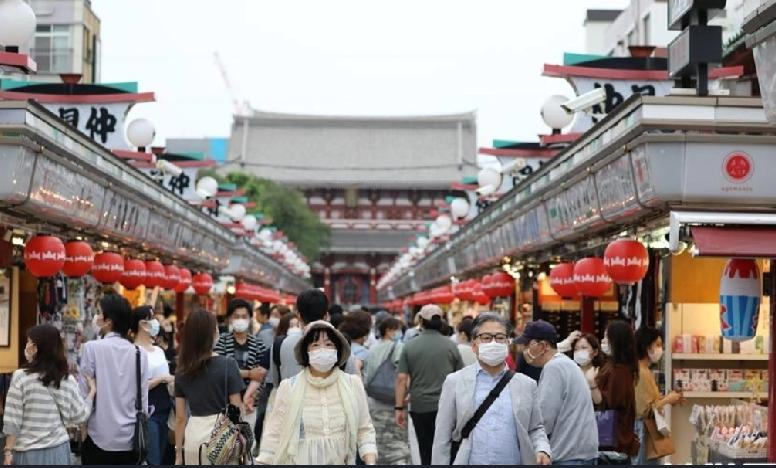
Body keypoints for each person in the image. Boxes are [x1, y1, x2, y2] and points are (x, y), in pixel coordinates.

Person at [432, 313, 552, 465]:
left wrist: (542, 449)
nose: (494, 342)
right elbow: (442, 437)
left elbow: (536, 428)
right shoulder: (455, 382)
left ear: (508, 343)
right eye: (486, 337)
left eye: (500, 337)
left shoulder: (526, 385)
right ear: (474, 345)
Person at [257, 321, 377, 465]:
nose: (322, 350)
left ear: (337, 350)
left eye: (328, 345)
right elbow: (274, 433)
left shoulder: (353, 384)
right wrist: (263, 461)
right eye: (315, 345)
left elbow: (364, 429)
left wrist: (370, 461)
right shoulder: (289, 387)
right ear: (306, 352)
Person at [3, 324, 95, 465]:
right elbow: (80, 415)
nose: (26, 346)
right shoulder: (66, 379)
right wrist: (91, 393)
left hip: (28, 454)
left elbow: (12, 419)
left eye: (29, 342)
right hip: (58, 452)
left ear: (36, 348)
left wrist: (8, 451)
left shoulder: (21, 377)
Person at [81, 293, 149, 465]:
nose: (96, 317)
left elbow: (83, 394)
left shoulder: (91, 349)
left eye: (99, 313)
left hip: (98, 436)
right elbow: (143, 401)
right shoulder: (139, 353)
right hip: (130, 439)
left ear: (108, 321)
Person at [517, 320, 598, 465]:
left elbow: (543, 419)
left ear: (543, 346)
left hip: (568, 456)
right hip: (580, 454)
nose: (524, 349)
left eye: (528, 344)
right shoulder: (565, 363)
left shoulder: (554, 368)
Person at [395, 305, 464, 465]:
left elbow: (401, 379)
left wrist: (399, 408)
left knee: (425, 449)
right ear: (441, 322)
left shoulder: (410, 346)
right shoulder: (450, 345)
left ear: (421, 321)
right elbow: (461, 377)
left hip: (420, 406)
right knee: (446, 449)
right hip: (447, 406)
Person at [174, 309, 245, 465]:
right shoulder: (228, 364)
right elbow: (237, 409)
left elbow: (180, 418)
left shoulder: (182, 369)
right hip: (222, 439)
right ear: (211, 334)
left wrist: (178, 453)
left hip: (193, 439)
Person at [268, 289, 357, 390]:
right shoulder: (341, 343)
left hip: (293, 403)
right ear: (327, 316)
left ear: (299, 316)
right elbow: (352, 382)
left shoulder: (280, 344)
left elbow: (275, 383)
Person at [214, 298, 269, 438]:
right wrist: (249, 373)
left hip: (249, 405)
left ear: (250, 319)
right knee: (225, 446)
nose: (240, 319)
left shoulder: (258, 344)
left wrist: (252, 396)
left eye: (244, 316)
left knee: (247, 445)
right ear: (230, 319)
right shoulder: (221, 342)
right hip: (224, 405)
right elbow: (220, 370)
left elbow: (261, 375)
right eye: (236, 316)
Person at [131, 306, 174, 466]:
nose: (156, 322)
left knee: (164, 456)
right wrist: (159, 379)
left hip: (166, 409)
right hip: (148, 411)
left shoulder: (158, 350)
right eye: (152, 318)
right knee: (152, 458)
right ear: (142, 323)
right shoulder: (133, 351)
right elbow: (134, 386)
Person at [633, 328, 683, 465]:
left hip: (646, 430)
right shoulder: (642, 373)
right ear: (646, 346)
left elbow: (649, 403)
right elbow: (644, 411)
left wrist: (667, 399)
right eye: (657, 345)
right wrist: (667, 400)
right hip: (644, 431)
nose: (660, 349)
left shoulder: (644, 371)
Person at [364, 317, 410, 465]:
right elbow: (402, 376)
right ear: (389, 330)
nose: (399, 333)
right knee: (396, 444)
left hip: (374, 402)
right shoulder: (398, 347)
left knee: (378, 443)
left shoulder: (372, 348)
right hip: (393, 402)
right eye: (397, 329)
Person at [596, 320, 640, 458]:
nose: (603, 341)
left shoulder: (619, 371)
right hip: (616, 437)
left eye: (606, 338)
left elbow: (610, 402)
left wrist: (592, 386)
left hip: (613, 438)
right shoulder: (617, 367)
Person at [571, 333, 604, 405]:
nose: (579, 352)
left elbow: (599, 402)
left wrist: (591, 382)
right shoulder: (570, 373)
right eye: (576, 349)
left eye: (584, 348)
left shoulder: (601, 373)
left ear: (595, 352)